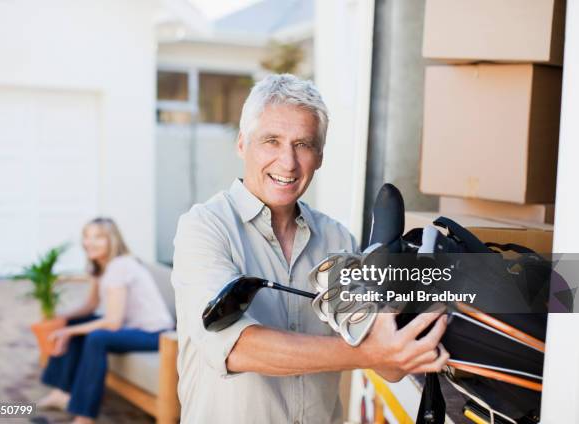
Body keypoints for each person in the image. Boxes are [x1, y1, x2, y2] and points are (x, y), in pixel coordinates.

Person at [171, 73, 449, 423]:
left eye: (303, 144)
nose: (288, 162)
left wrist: (402, 316)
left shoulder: (337, 241)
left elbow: (389, 366)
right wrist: (371, 352)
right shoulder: (205, 227)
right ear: (242, 144)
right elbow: (236, 348)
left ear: (319, 156)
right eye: (271, 141)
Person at [37, 217, 173, 424]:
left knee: (96, 338)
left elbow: (112, 323)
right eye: (87, 236)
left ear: (112, 240)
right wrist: (64, 318)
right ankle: (61, 393)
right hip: (131, 327)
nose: (90, 243)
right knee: (75, 324)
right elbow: (91, 305)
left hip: (154, 333)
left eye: (98, 237)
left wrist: (68, 333)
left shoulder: (121, 266)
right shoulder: (99, 266)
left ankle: (84, 416)